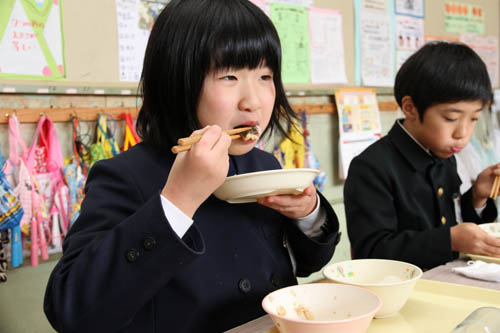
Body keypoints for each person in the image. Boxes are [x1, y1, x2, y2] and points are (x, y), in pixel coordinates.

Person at [44, 1, 341, 332]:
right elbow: (69, 309)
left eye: (265, 76)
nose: (253, 101)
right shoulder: (125, 175)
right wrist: (178, 199)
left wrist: (307, 214)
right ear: (177, 79)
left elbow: (310, 263)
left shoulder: (263, 164)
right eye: (229, 75)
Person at [344, 41, 500, 270]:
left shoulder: (444, 154)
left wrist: (478, 197)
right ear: (410, 108)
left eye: (473, 119)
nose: (463, 133)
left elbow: (458, 226)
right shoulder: (371, 167)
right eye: (451, 118)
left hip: (447, 278)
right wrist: (450, 240)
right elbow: (371, 252)